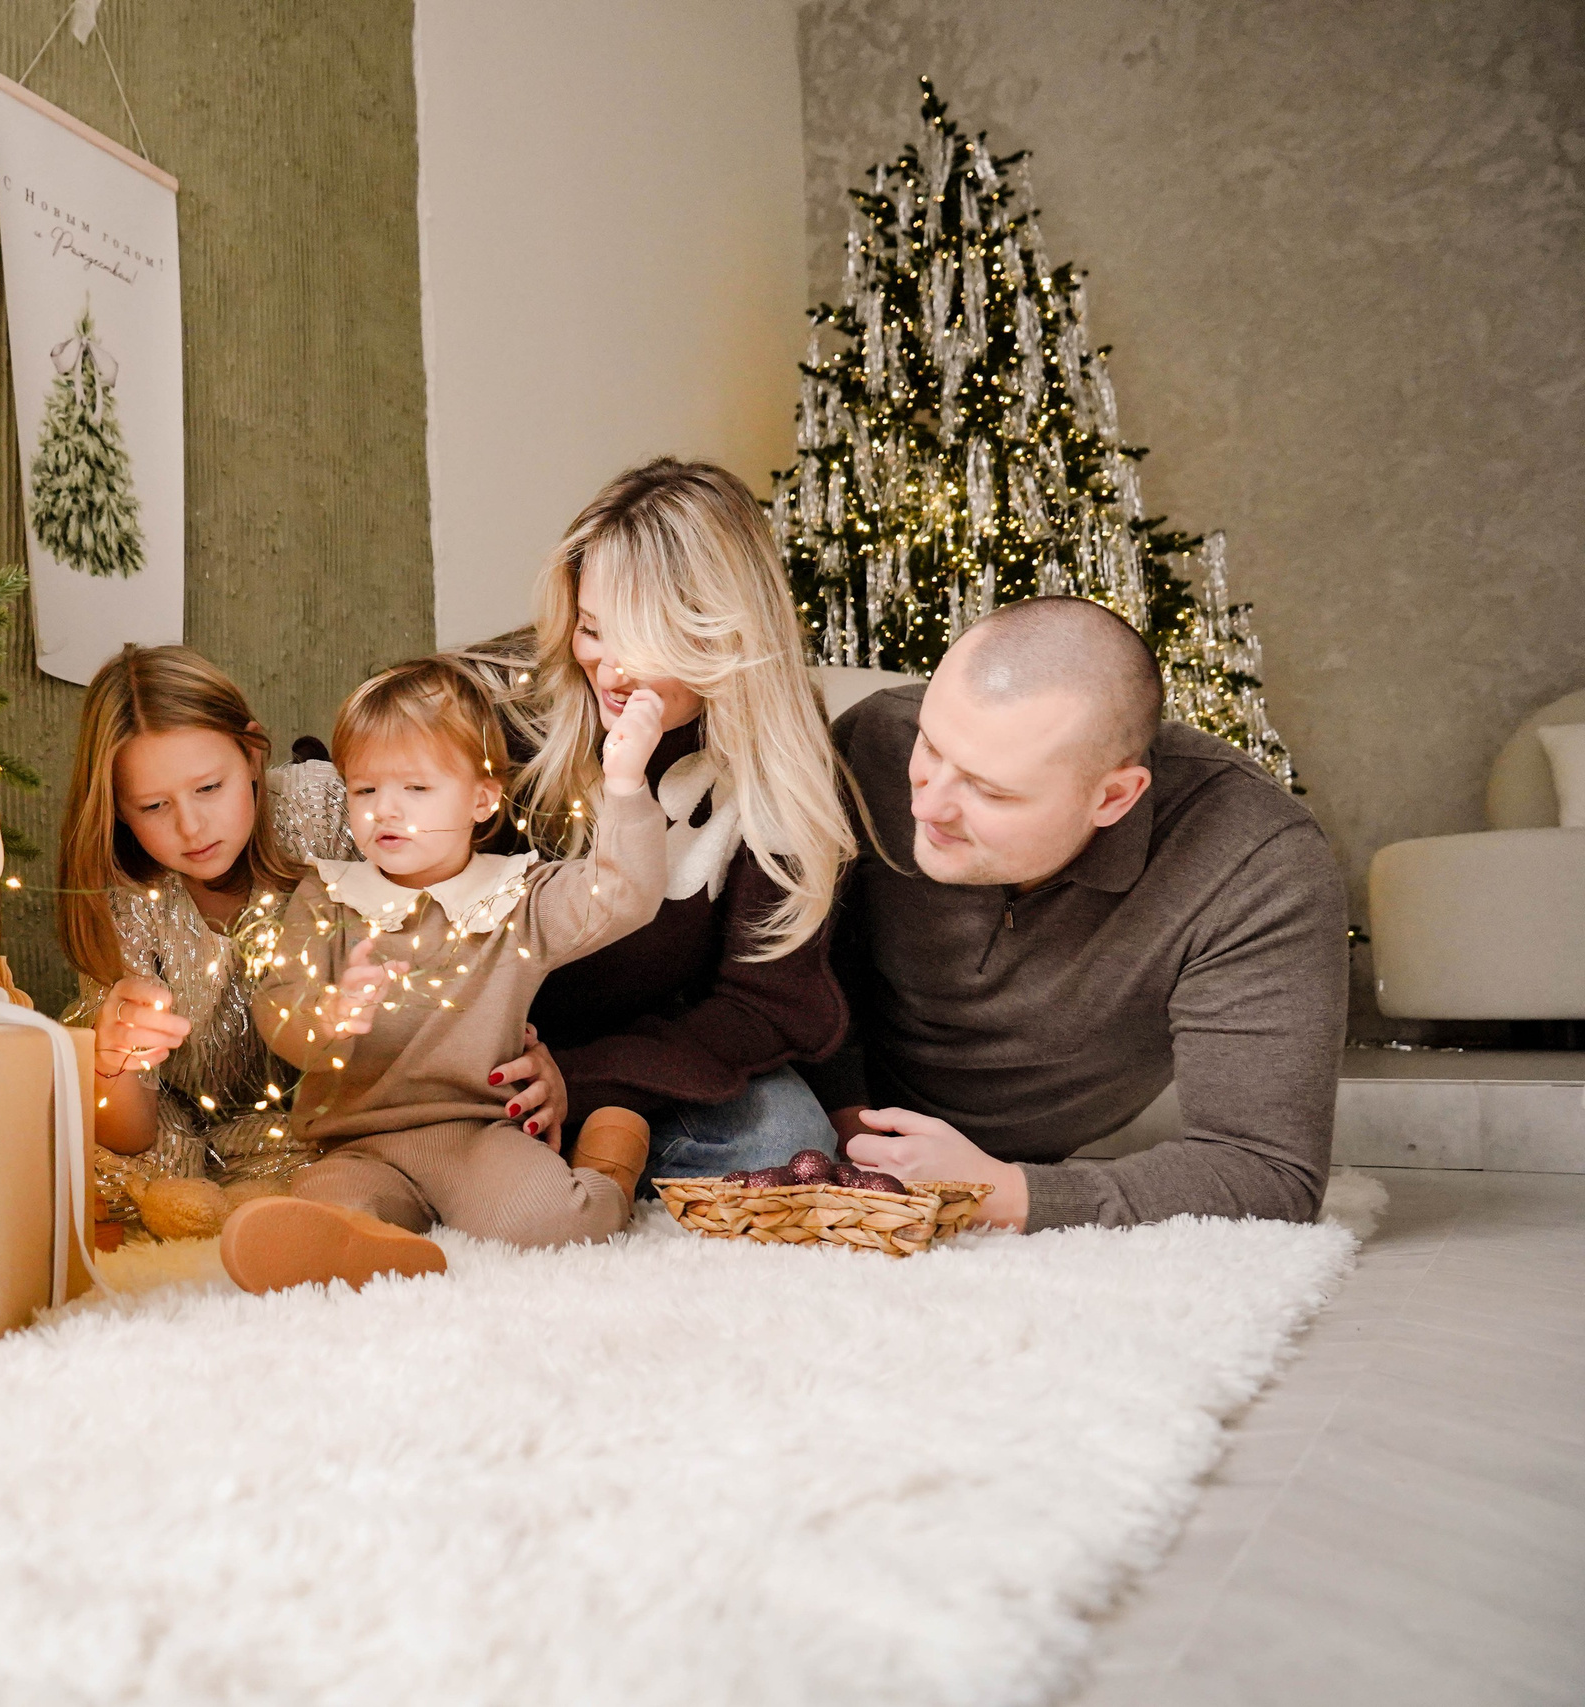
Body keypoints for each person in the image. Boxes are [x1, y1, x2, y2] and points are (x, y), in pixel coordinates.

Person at [816, 596, 1350, 1229]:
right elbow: (802, 961)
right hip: (816, 1108)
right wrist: (844, 1111)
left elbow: (1268, 1170)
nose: (928, 808)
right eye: (930, 748)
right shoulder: (873, 740)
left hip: (1019, 1161)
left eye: (990, 790)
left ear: (1113, 798)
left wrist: (1001, 1194)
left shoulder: (1257, 861)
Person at [55, 643, 570, 1234]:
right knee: (85, 1167)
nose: (191, 827)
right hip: (185, 1133)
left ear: (251, 753)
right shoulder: (123, 895)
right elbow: (130, 1133)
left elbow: (464, 917)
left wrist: (518, 1050)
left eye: (209, 788)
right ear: (119, 810)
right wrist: (116, 1059)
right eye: (152, 806)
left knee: (375, 1168)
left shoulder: (328, 809)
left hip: (346, 1119)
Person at [220, 656, 667, 1294]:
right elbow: (277, 1009)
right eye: (365, 790)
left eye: (416, 789)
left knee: (552, 1221)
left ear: (483, 798)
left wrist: (623, 785)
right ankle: (371, 1248)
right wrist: (325, 1017)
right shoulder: (328, 897)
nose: (384, 811)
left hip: (479, 1134)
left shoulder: (516, 900)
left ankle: (608, 1163)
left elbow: (625, 895)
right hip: (355, 1145)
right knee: (325, 1205)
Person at [507, 458, 859, 1184]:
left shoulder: (779, 759)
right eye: (593, 629)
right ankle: (544, 1158)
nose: (608, 672)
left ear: (722, 635)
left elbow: (766, 1001)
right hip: (506, 1051)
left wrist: (585, 1079)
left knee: (790, 1139)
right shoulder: (512, 721)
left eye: (645, 639)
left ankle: (593, 1146)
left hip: (662, 1055)